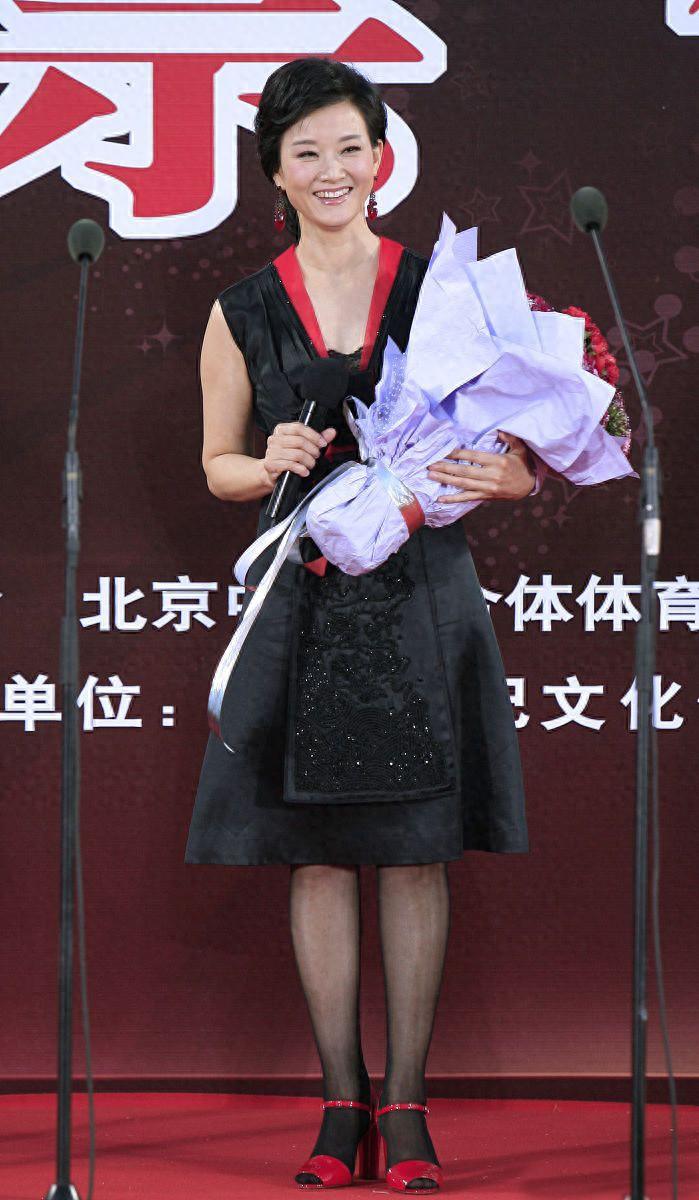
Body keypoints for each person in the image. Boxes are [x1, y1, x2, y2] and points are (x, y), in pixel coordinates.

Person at [185, 58, 545, 1194]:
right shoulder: (241, 309)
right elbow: (217, 463)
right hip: (304, 600)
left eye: (350, 147)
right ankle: (340, 1105)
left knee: (414, 852)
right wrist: (266, 463)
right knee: (320, 854)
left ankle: (409, 1107)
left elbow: (513, 445)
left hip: (420, 597)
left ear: (380, 160)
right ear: (276, 174)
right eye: (308, 153)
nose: (332, 169)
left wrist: (517, 474)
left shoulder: (440, 290)